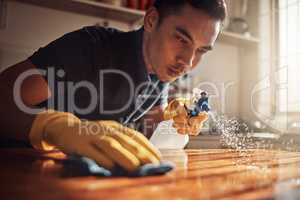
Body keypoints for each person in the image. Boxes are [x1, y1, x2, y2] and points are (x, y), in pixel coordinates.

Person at [0, 0, 227, 172]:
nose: (188, 62)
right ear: (151, 20)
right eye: (182, 40)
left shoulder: (161, 74)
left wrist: (169, 117)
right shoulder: (90, 46)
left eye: (201, 51)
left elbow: (143, 124)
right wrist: (55, 128)